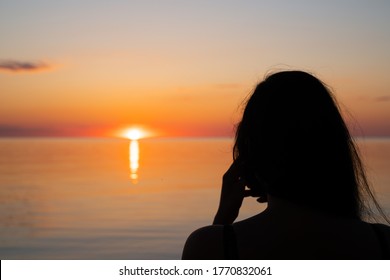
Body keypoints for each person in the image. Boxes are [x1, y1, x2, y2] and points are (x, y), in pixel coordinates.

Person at [182, 70, 390, 259]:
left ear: (251, 153)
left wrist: (222, 223)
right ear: (335, 149)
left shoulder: (211, 246)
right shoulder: (383, 241)